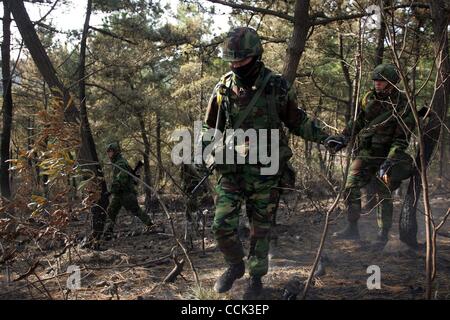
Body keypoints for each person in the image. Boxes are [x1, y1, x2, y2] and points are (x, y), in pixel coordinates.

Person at [202, 27, 332, 297]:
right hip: (231, 169)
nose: (236, 65)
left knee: (261, 229)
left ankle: (256, 279)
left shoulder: (276, 86)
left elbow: (297, 121)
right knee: (221, 224)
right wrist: (207, 151)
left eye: (241, 60)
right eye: (232, 60)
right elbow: (210, 129)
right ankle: (235, 266)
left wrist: (325, 138)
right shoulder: (223, 88)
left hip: (266, 170)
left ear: (255, 56)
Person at [325, 63, 415, 244]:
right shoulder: (368, 98)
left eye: (381, 81)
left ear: (391, 83)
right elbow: (357, 122)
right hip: (366, 153)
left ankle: (382, 235)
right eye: (375, 81)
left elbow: (401, 139)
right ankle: (352, 228)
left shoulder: (403, 105)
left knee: (383, 193)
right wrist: (342, 138)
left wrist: (389, 162)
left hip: (387, 156)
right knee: (350, 185)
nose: (377, 84)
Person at [103, 142, 154, 239]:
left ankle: (151, 225)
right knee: (111, 210)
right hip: (119, 194)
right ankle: (108, 232)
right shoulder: (118, 162)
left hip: (126, 193)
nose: (108, 154)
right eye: (108, 152)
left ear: (116, 152)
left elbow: (121, 179)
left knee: (136, 210)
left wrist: (111, 191)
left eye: (110, 152)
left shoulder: (121, 163)